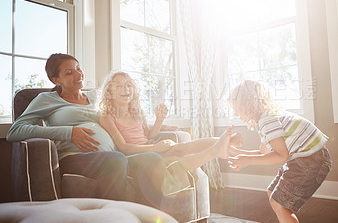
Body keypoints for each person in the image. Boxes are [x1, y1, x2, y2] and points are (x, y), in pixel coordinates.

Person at [6, 53, 169, 206]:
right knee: (115, 160)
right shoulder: (46, 100)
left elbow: (126, 117)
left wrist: (161, 123)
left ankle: (147, 222)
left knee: (152, 159)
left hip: (115, 154)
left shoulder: (95, 96)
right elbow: (15, 131)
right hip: (75, 158)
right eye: (69, 72)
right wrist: (69, 133)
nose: (78, 75)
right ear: (56, 80)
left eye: (78, 68)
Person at [227, 80, 332, 223]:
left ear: (248, 104)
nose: (235, 113)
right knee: (272, 193)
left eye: (237, 108)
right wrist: (237, 152)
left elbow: (281, 156)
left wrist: (248, 160)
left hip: (310, 160)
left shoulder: (267, 121)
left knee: (280, 204)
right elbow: (264, 153)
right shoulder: (266, 119)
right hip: (305, 159)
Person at [98, 71, 240, 172]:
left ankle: (225, 141)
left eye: (128, 85)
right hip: (135, 155)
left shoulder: (136, 112)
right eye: (119, 86)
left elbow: (149, 136)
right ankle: (215, 150)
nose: (126, 89)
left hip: (149, 146)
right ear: (109, 92)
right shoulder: (107, 117)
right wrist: (154, 148)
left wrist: (159, 120)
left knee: (181, 148)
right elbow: (123, 147)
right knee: (176, 161)